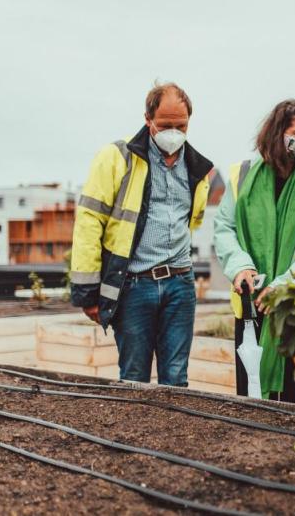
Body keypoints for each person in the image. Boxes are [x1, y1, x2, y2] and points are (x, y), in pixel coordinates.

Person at [71, 82, 214, 386]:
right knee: (134, 379)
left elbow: (191, 222)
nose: (173, 132)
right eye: (165, 125)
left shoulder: (197, 169)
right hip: (135, 286)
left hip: (180, 284)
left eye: (181, 126)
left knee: (176, 379)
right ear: (148, 119)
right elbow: (89, 222)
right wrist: (87, 292)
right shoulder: (117, 158)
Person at [213, 99, 295, 404]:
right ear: (277, 133)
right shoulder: (242, 176)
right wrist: (240, 267)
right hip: (252, 301)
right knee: (250, 397)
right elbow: (224, 228)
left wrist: (282, 286)